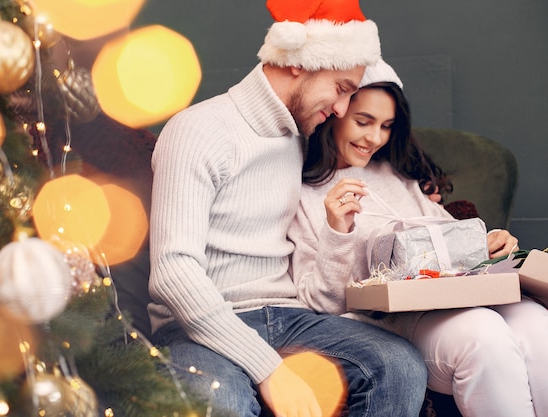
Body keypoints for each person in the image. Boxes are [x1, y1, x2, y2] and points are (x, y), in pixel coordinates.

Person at [148, 1, 429, 416]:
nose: (340, 110)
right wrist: (270, 370)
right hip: (195, 326)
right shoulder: (197, 130)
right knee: (221, 398)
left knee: (399, 365)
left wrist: (430, 197)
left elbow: (370, 156)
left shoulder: (303, 133)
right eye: (341, 88)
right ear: (298, 63)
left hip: (287, 315)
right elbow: (173, 271)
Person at [288, 58, 548, 417]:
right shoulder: (304, 194)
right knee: (484, 335)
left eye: (386, 126)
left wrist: (490, 244)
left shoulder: (401, 177)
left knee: (537, 322)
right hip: (390, 323)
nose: (374, 138)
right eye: (363, 122)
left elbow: (452, 242)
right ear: (335, 113)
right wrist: (338, 231)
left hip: (456, 299)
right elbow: (323, 306)